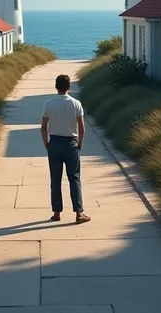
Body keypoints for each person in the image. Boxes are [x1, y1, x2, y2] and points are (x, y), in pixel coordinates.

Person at [41, 74, 91, 224]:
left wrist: (46, 143)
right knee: (74, 177)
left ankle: (56, 212)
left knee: (55, 179)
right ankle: (79, 213)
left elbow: (43, 127)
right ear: (69, 87)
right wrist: (80, 142)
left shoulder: (48, 104)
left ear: (56, 86)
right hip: (71, 143)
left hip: (54, 143)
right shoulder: (76, 104)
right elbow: (82, 127)